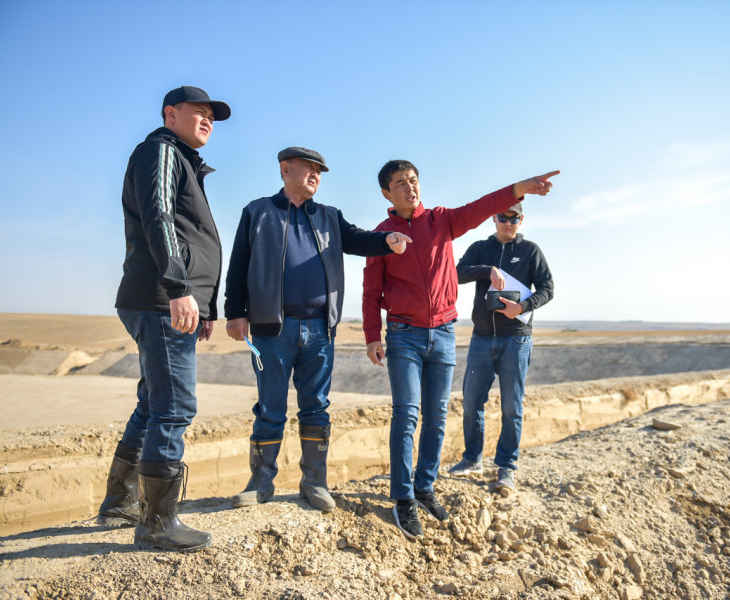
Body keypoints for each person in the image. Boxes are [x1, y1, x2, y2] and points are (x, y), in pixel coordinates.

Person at [363, 160, 560, 539]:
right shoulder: (381, 236)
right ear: (387, 192)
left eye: (414, 180)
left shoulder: (441, 221)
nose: (410, 187)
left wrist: (521, 187)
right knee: (407, 414)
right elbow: (371, 290)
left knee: (437, 416)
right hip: (404, 334)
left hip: (444, 333)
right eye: (401, 183)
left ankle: (425, 487)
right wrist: (373, 334)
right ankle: (403, 498)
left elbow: (481, 206)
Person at [224, 147, 411, 513]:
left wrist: (386, 240)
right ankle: (260, 484)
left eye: (319, 171)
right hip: (271, 330)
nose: (315, 175)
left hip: (320, 330)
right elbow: (238, 264)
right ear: (285, 169)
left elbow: (358, 239)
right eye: (308, 168)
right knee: (270, 408)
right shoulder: (258, 212)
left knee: (316, 408)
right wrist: (235, 312)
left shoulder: (329, 216)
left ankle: (315, 483)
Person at [97, 86, 231, 552]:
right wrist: (178, 288)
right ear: (170, 114)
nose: (207, 119)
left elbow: (190, 234)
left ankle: (120, 502)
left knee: (153, 403)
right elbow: (159, 219)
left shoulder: (182, 160)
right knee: (174, 407)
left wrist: (205, 306)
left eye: (212, 115)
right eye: (199, 112)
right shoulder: (161, 151)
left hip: (167, 299)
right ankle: (158, 522)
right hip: (160, 297)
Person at [448, 202, 554, 496]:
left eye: (513, 218)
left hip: (516, 339)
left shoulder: (531, 251)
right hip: (481, 337)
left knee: (511, 406)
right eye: (502, 217)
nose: (508, 222)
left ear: (521, 219)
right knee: (471, 402)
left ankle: (506, 467)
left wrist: (523, 306)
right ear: (493, 218)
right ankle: (472, 458)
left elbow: (548, 288)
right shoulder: (480, 248)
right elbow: (456, 273)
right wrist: (488, 270)